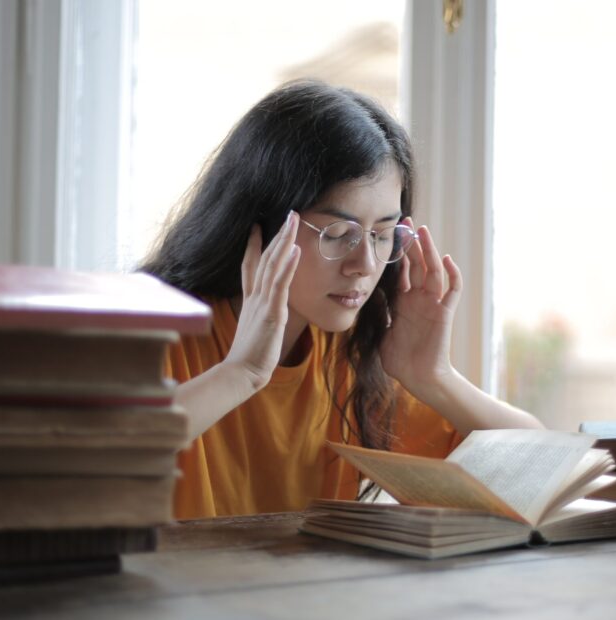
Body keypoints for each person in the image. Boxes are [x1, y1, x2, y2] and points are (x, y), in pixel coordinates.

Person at [141, 80, 543, 519]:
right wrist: (242, 372)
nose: (365, 264)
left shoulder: (348, 353)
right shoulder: (153, 332)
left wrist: (433, 376)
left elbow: (537, 468)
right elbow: (93, 459)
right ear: (260, 226)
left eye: (382, 235)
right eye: (337, 234)